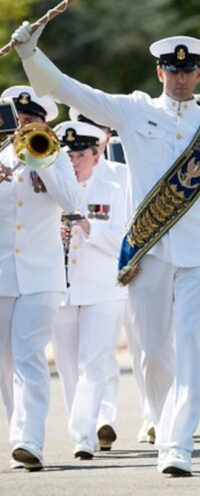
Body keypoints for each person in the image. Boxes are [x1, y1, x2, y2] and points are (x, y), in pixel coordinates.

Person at [11, 22, 200, 476]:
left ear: (198, 75)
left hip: (199, 253)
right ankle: (161, 422)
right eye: (171, 71)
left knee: (189, 343)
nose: (179, 78)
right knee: (153, 351)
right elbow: (74, 93)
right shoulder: (134, 112)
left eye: (188, 70)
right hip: (148, 251)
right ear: (159, 73)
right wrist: (30, 56)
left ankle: (178, 444)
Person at [0, 86, 83, 471]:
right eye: (18, 119)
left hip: (42, 274)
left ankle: (30, 439)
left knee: (29, 354)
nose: (23, 126)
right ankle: (17, 432)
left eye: (31, 120)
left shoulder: (56, 157)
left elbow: (71, 203)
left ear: (43, 122)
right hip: (3, 273)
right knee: (5, 360)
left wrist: (42, 162)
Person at [50, 120, 126, 460]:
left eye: (80, 154)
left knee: (92, 364)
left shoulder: (115, 184)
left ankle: (83, 435)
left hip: (103, 289)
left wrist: (88, 228)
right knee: (67, 367)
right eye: (68, 155)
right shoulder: (51, 187)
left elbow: (125, 241)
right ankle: (81, 426)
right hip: (63, 289)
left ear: (96, 156)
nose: (73, 161)